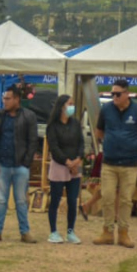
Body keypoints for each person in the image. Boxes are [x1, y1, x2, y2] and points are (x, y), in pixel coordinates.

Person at [93, 79, 137, 248]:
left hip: (130, 163)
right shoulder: (106, 109)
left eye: (118, 94)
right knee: (107, 197)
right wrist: (112, 143)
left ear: (127, 94)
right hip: (109, 162)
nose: (115, 97)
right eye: (113, 94)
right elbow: (99, 131)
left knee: (126, 199)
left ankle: (123, 233)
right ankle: (107, 231)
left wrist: (131, 146)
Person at [0, 85, 39, 243]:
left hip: (20, 165)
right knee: (1, 200)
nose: (4, 101)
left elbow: (33, 140)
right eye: (4, 98)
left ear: (17, 99)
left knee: (21, 200)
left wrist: (26, 162)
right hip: (2, 164)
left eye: (8, 98)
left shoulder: (29, 116)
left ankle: (25, 232)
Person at [45, 94, 85, 244]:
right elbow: (54, 147)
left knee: (72, 200)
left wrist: (78, 160)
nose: (72, 106)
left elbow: (81, 143)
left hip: (76, 164)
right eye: (70, 104)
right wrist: (68, 162)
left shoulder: (75, 123)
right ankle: (53, 231)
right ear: (62, 106)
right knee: (55, 199)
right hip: (59, 165)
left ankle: (70, 231)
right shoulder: (53, 126)